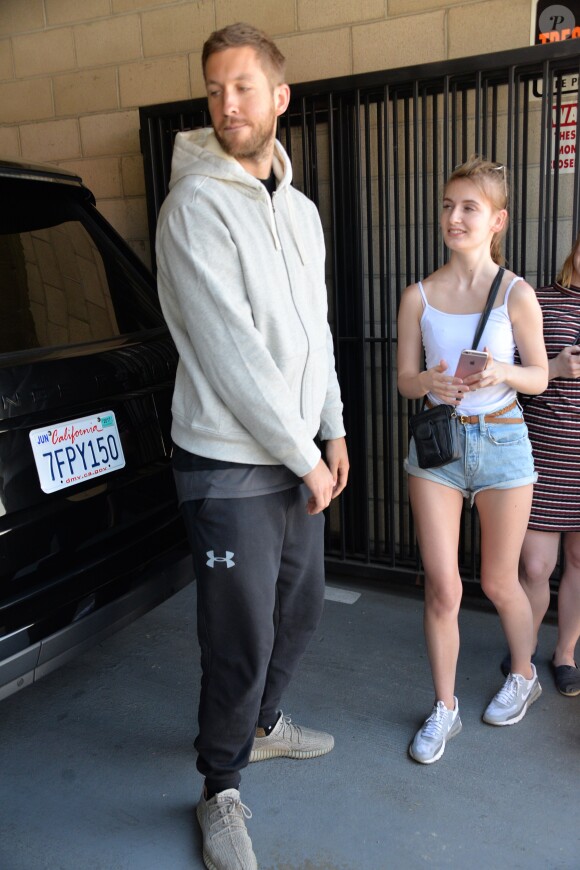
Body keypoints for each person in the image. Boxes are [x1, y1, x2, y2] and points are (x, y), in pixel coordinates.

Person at [155, 22, 349, 870]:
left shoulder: (299, 212)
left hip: (297, 451)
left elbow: (318, 333)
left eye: (242, 87)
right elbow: (231, 352)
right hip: (229, 460)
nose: (226, 104)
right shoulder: (193, 206)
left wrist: (332, 428)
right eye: (213, 89)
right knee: (238, 633)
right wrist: (303, 453)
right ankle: (219, 788)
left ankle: (264, 725)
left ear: (280, 98)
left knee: (297, 611)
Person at [397, 155, 549, 765]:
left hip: (504, 440)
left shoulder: (516, 292)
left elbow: (538, 376)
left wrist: (500, 369)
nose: (453, 217)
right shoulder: (418, 296)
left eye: (469, 208)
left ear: (497, 220)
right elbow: (403, 380)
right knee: (443, 587)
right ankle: (445, 709)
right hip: (438, 446)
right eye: (447, 204)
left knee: (499, 581)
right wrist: (429, 382)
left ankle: (523, 674)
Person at [505, 234, 580, 696]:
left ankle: (566, 653)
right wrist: (554, 365)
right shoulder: (539, 300)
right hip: (545, 452)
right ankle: (523, 651)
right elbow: (511, 370)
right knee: (534, 566)